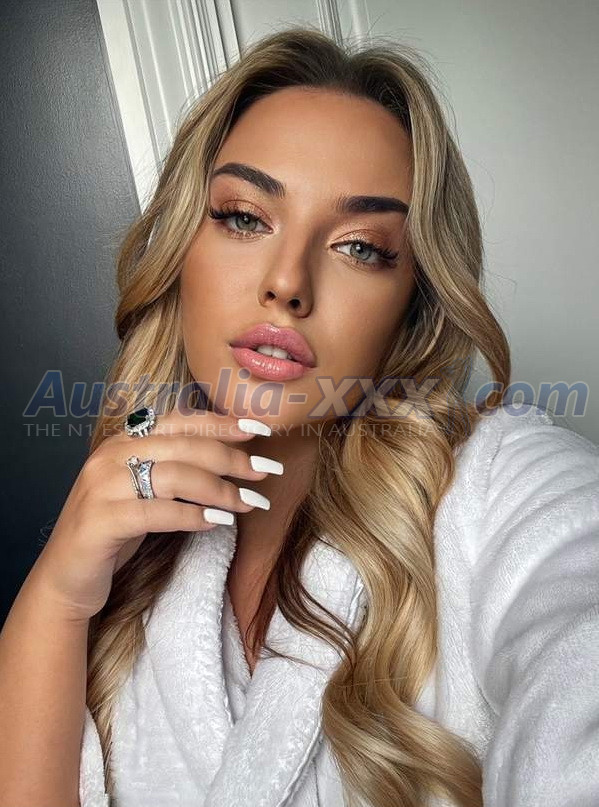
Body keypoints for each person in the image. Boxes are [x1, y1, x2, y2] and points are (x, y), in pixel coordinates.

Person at [1, 25, 598, 807]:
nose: (287, 283)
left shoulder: (501, 486)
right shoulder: (135, 562)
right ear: (181, 248)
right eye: (244, 217)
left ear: (412, 303)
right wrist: (52, 602)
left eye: (360, 247)